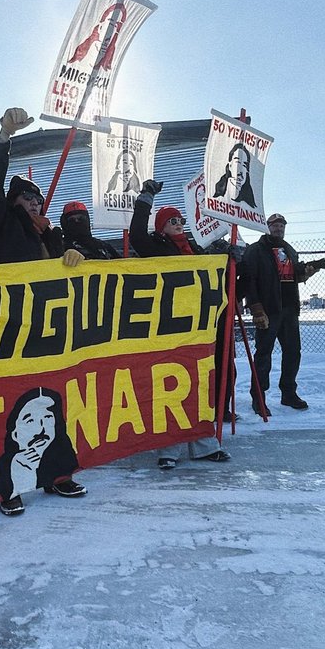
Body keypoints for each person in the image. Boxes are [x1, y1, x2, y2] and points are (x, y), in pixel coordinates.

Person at [0, 107, 88, 514]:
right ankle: (10, 487)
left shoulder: (51, 236)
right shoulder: (0, 224)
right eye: (26, 197)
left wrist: (71, 257)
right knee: (11, 408)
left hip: (48, 334)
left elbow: (72, 281)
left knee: (53, 406)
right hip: (5, 333)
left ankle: (58, 473)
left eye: (38, 198)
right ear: (12, 202)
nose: (35, 203)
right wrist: (4, 136)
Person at [130, 179, 236, 468]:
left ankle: (203, 443)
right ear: (161, 227)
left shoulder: (195, 249)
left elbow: (217, 281)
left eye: (179, 219)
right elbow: (136, 233)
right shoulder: (155, 246)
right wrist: (146, 198)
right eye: (171, 220)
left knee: (201, 383)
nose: (178, 223)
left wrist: (232, 260)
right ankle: (169, 448)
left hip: (200, 326)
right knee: (170, 384)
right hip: (168, 326)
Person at [239, 212, 325, 415]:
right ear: (267, 227)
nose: (278, 229)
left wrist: (309, 268)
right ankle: (259, 398)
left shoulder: (289, 250)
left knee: (293, 353)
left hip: (289, 310)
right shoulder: (256, 250)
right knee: (263, 355)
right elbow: (249, 281)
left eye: (281, 226)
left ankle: (288, 394)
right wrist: (256, 309)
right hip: (268, 310)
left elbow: (293, 275)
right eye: (275, 225)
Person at [0, 388, 80, 504]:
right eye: (30, 421)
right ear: (15, 433)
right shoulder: (6, 465)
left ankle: (58, 478)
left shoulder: (64, 452)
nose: (40, 429)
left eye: (47, 418)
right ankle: (9, 493)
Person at [211, 142, 256, 208]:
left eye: (244, 165)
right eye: (237, 163)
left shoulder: (250, 207)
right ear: (230, 165)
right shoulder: (215, 203)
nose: (240, 172)